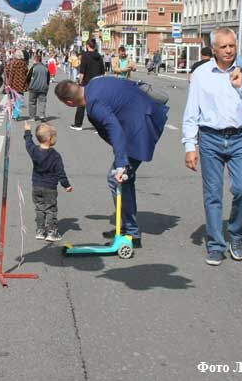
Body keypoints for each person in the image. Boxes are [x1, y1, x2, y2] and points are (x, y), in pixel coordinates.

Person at [182, 27, 242, 266]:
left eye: (232, 45)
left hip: (240, 138)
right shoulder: (201, 74)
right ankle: (215, 245)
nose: (229, 50)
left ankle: (235, 234)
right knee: (212, 195)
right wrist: (189, 145)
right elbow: (192, 112)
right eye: (224, 47)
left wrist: (241, 85)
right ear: (214, 50)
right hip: (210, 139)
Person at [55, 77, 168, 248]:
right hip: (143, 117)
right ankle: (124, 226)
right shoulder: (95, 83)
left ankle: (131, 233)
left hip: (141, 127)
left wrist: (121, 164)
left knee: (116, 178)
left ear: (69, 103)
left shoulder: (94, 105)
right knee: (124, 180)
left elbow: (114, 128)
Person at [24, 120, 72, 242]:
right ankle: (52, 232)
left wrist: (27, 131)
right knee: (51, 209)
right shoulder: (55, 156)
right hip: (50, 187)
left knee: (39, 208)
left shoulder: (34, 151)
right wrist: (66, 185)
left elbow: (28, 143)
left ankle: (40, 230)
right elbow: (60, 173)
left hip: (36, 186)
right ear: (50, 138)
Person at [70, 38, 105, 131]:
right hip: (97, 84)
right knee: (96, 105)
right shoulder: (99, 56)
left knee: (81, 103)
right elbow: (103, 72)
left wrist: (79, 83)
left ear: (87, 46)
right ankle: (98, 127)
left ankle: (78, 124)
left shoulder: (85, 56)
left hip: (86, 83)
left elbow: (82, 72)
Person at [4, 50, 29, 119]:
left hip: (12, 84)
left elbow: (6, 71)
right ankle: (16, 114)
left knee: (13, 99)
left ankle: (13, 113)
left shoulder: (12, 63)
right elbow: (26, 71)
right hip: (21, 84)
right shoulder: (24, 64)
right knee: (19, 99)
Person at [26, 53, 50, 121]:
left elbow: (28, 77)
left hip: (33, 87)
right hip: (43, 87)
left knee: (32, 102)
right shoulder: (46, 68)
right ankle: (42, 115)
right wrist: (47, 85)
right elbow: (48, 78)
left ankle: (32, 117)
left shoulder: (33, 68)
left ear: (35, 60)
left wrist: (28, 84)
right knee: (42, 102)